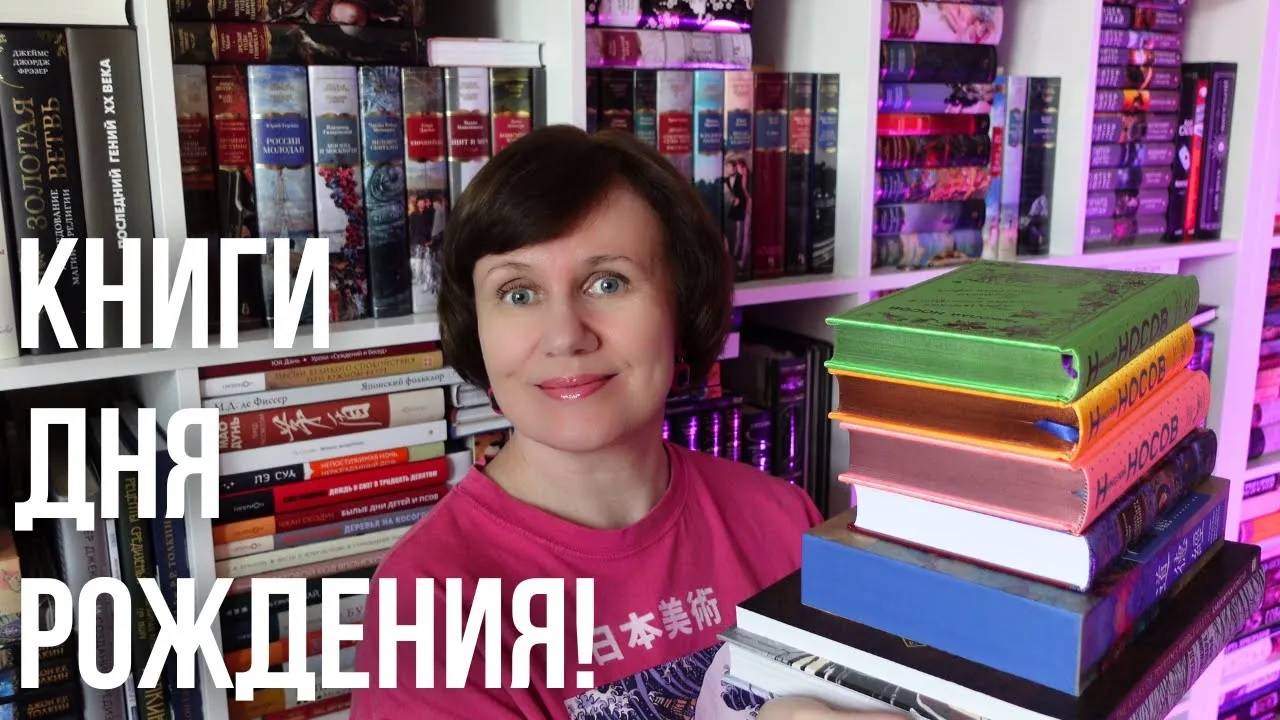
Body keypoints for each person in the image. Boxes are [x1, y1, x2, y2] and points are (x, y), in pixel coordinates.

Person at [350, 126, 894, 720]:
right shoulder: (430, 604)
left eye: (607, 282)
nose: (565, 336)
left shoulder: (784, 519)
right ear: (474, 328)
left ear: (681, 305)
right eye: (518, 293)